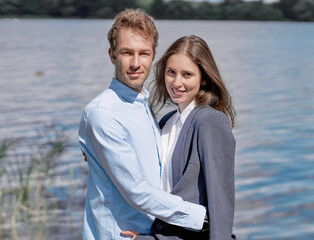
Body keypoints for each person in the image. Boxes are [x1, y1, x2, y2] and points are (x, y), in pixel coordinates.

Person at [78, 9, 207, 240]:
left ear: (153, 55)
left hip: (151, 235)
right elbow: (136, 190)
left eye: (144, 53)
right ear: (112, 55)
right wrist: (201, 219)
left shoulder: (142, 105)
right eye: (127, 53)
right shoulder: (103, 114)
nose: (136, 63)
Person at [125, 35, 236, 239]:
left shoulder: (210, 121)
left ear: (203, 78)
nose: (177, 82)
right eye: (171, 72)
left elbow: (221, 202)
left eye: (187, 74)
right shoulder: (166, 121)